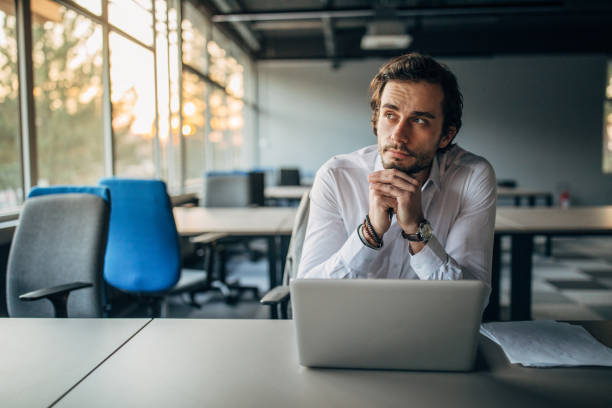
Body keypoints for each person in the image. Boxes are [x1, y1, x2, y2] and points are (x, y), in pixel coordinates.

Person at [297, 53, 496, 302]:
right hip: (350, 329)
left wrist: (417, 231)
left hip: (430, 332)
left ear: (446, 136)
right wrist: (370, 233)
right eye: (390, 115)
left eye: (420, 120)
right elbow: (309, 298)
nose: (398, 135)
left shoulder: (471, 176)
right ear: (377, 119)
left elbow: (472, 302)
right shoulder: (337, 176)